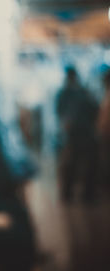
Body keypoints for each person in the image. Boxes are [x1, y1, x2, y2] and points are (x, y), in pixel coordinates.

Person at [56, 66, 99, 203]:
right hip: (82, 133)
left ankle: (70, 194)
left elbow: (60, 112)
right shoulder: (82, 92)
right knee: (81, 164)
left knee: (73, 163)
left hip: (76, 133)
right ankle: (82, 194)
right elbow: (94, 109)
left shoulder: (66, 92)